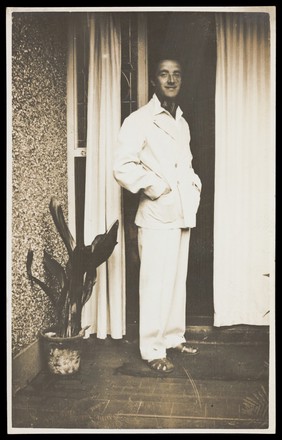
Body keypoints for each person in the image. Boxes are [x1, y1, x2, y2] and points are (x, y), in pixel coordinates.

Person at [113, 57, 202, 374]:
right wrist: (156, 187)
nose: (171, 79)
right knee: (155, 284)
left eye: (177, 74)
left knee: (176, 281)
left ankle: (173, 337)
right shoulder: (139, 120)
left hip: (181, 212)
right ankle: (152, 348)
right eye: (164, 74)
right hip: (156, 214)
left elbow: (186, 164)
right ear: (153, 80)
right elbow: (122, 166)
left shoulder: (181, 122)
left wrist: (193, 185)